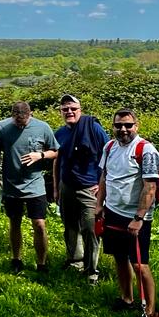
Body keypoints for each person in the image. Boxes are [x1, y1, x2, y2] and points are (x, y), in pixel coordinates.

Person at [96, 108, 159, 314]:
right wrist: (99, 205)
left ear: (136, 126)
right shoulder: (109, 147)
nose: (123, 129)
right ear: (113, 126)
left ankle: (149, 311)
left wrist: (139, 217)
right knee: (119, 257)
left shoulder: (146, 150)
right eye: (118, 125)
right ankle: (126, 298)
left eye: (128, 125)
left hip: (135, 217)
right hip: (113, 211)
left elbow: (150, 186)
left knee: (140, 265)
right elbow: (105, 177)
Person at [0, 101, 59, 274]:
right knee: (15, 222)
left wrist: (40, 155)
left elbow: (56, 151)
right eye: (17, 121)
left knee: (39, 224)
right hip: (11, 185)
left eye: (24, 120)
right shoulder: (2, 128)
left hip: (35, 185)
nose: (20, 123)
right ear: (12, 116)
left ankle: (41, 263)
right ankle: (16, 259)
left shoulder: (43, 127)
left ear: (31, 114)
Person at [53, 94, 109, 284]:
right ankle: (75, 260)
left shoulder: (93, 128)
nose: (69, 112)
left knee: (90, 228)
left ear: (80, 109)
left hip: (90, 188)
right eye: (65, 109)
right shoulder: (59, 133)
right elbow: (57, 161)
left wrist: (101, 186)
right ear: (61, 112)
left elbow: (108, 154)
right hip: (66, 186)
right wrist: (56, 187)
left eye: (73, 108)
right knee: (69, 226)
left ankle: (91, 269)